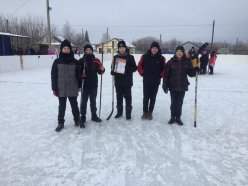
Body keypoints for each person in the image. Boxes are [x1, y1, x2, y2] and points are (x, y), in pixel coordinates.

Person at [51, 39, 82, 132]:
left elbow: (79, 75)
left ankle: (77, 120)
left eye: (68, 48)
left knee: (74, 105)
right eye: (64, 48)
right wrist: (54, 88)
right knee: (62, 106)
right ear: (61, 49)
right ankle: (60, 123)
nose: (66, 50)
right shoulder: (57, 62)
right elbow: (53, 76)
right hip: (61, 88)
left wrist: (79, 85)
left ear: (70, 50)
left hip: (72, 87)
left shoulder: (75, 62)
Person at [162, 46, 197, 125]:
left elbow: (191, 74)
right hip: (172, 86)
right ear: (175, 52)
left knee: (180, 103)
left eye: (181, 51)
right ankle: (172, 117)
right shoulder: (170, 62)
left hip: (182, 86)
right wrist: (165, 85)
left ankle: (178, 118)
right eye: (177, 51)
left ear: (183, 52)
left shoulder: (187, 62)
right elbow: (166, 75)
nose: (179, 52)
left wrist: (196, 68)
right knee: (173, 103)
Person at [138, 41, 166, 120]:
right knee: (146, 98)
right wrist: (142, 73)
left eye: (156, 48)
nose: (154, 49)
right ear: (150, 48)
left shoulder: (162, 58)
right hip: (146, 81)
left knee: (153, 98)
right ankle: (145, 112)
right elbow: (139, 66)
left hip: (156, 82)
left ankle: (150, 112)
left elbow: (164, 69)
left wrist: (160, 75)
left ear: (158, 49)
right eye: (153, 48)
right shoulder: (144, 57)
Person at [79, 44, 105, 127]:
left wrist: (102, 69)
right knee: (84, 101)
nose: (88, 51)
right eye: (87, 50)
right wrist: (81, 75)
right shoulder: (81, 60)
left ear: (92, 51)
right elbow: (78, 71)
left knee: (93, 101)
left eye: (90, 50)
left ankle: (94, 115)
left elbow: (100, 71)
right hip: (85, 85)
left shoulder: (96, 60)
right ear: (85, 51)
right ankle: (82, 116)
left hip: (94, 84)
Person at [111, 40, 137, 120]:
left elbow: (135, 68)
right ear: (118, 49)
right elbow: (112, 68)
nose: (122, 49)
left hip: (127, 82)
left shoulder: (130, 57)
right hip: (118, 82)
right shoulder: (115, 57)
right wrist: (112, 71)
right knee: (119, 98)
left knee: (128, 98)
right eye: (120, 47)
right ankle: (119, 112)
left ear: (125, 48)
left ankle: (128, 113)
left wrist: (127, 68)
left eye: (123, 47)